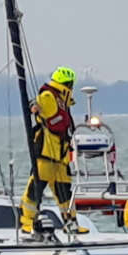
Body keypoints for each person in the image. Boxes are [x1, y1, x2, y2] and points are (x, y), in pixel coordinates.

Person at [21, 66, 82, 234]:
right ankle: (27, 222)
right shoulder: (49, 96)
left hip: (60, 157)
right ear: (67, 84)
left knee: (65, 193)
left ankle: (71, 223)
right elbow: (37, 104)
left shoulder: (63, 101)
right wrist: (34, 106)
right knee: (35, 190)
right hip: (46, 155)